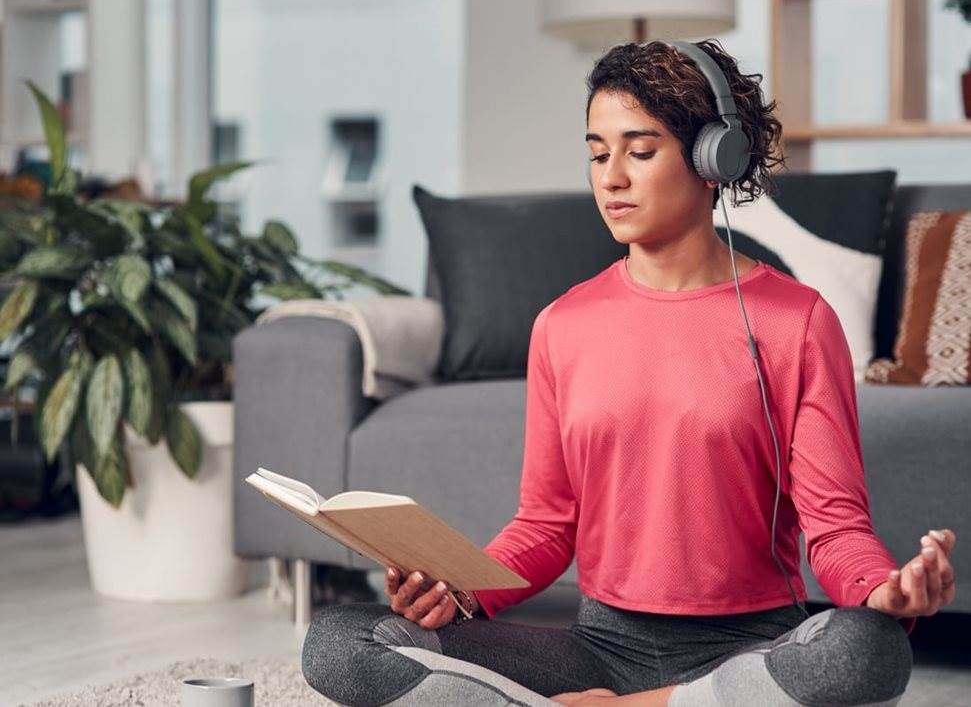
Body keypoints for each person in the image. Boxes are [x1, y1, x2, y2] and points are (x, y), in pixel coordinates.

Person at [300, 39, 957, 707]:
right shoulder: (562, 324)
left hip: (750, 649)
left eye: (639, 152)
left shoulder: (798, 321)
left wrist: (883, 588)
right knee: (338, 641)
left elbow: (835, 523)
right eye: (596, 152)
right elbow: (545, 523)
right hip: (598, 649)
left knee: (867, 651)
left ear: (713, 159)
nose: (610, 176)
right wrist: (461, 591)